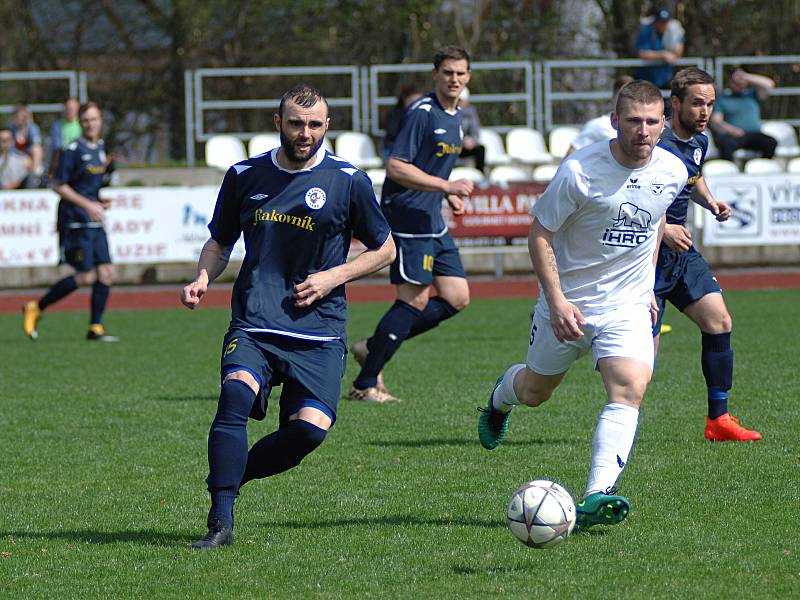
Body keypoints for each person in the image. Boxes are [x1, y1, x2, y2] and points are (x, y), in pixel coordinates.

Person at [181, 84, 395, 550]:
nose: (305, 133)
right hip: (256, 319)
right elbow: (220, 242)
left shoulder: (348, 180)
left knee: (307, 432)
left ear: (327, 126)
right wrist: (203, 276)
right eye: (297, 123)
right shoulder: (244, 175)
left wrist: (333, 277)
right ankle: (220, 520)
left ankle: (231, 475)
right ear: (278, 122)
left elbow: (385, 248)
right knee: (234, 398)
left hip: (318, 329)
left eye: (315, 124)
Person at [477, 80, 688, 529]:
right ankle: (500, 398)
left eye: (652, 122)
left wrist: (647, 286)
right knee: (536, 392)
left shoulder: (671, 170)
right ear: (615, 121)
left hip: (627, 304)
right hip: (568, 303)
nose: (643, 130)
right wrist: (555, 301)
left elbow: (654, 219)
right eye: (633, 121)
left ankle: (597, 495)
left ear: (664, 124)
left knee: (629, 385)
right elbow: (539, 233)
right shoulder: (579, 171)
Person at [349, 46, 475, 403]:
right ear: (435, 74)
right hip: (405, 214)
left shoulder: (456, 115)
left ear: (468, 76)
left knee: (456, 297)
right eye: (448, 72)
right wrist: (446, 186)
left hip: (431, 216)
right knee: (414, 300)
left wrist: (446, 194)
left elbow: (432, 167)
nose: (454, 79)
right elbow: (397, 166)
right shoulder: (422, 113)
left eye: (461, 73)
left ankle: (372, 347)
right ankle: (365, 383)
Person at [654, 67, 762, 442]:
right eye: (698, 103)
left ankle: (719, 419)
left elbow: (694, 178)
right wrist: (663, 229)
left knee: (719, 321)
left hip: (681, 254)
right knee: (639, 367)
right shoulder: (655, 146)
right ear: (676, 103)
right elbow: (631, 200)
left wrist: (711, 202)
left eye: (710, 104)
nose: (705, 112)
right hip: (645, 261)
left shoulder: (699, 141)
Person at [22, 102, 118, 342]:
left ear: (100, 121)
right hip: (75, 221)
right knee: (86, 276)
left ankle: (95, 327)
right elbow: (58, 185)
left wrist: (99, 200)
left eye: (94, 119)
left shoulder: (100, 148)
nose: (90, 124)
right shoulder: (72, 149)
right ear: (80, 123)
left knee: (106, 273)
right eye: (85, 120)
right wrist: (88, 205)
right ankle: (37, 306)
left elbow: (87, 187)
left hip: (94, 220)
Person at [710, 67, 777, 161]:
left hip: (754, 135)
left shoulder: (753, 95)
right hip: (734, 136)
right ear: (730, 82)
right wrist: (732, 130)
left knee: (770, 142)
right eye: (735, 81)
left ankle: (763, 166)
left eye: (741, 81)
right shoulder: (723, 99)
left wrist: (745, 76)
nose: (738, 84)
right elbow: (716, 121)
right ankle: (730, 169)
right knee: (725, 143)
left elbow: (769, 84)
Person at [566, 75, 635, 156]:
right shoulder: (598, 125)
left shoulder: (642, 126)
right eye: (622, 97)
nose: (626, 101)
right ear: (613, 98)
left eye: (631, 97)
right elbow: (571, 155)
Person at [635, 7, 685, 89]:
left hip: (666, 80)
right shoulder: (646, 31)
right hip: (645, 80)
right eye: (660, 21)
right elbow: (641, 53)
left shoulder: (674, 32)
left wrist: (678, 35)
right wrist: (663, 55)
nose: (663, 24)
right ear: (655, 22)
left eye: (666, 21)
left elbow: (677, 53)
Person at [381, 83, 422, 160]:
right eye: (414, 101)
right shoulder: (394, 114)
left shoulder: (422, 112)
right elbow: (394, 133)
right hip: (394, 149)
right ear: (406, 100)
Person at [8, 103, 44, 187]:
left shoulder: (32, 128)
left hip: (30, 161)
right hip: (15, 158)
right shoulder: (11, 130)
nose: (23, 118)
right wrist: (22, 157)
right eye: (20, 115)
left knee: (36, 149)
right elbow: (9, 149)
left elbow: (36, 145)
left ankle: (34, 176)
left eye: (25, 115)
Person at [49, 98, 82, 176]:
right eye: (68, 108)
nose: (70, 110)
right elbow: (57, 147)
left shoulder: (82, 124)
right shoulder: (57, 126)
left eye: (73, 108)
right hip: (63, 158)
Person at [457, 87, 486, 173]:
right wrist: (462, 141)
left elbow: (475, 130)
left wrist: (473, 141)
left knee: (480, 149)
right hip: (454, 145)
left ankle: (480, 175)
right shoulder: (449, 112)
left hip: (467, 146)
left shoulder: (471, 112)